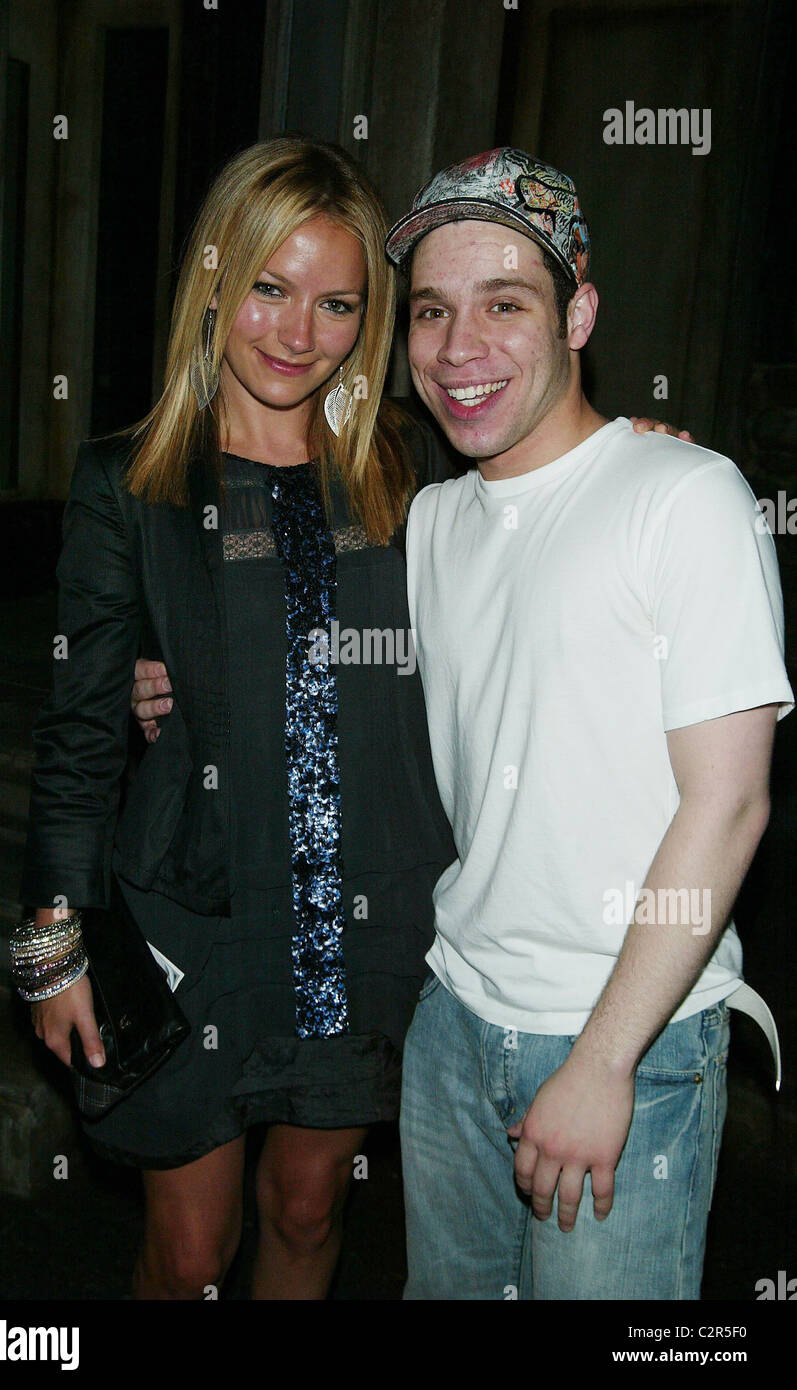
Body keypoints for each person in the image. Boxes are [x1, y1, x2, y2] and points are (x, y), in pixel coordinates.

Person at [17, 136, 459, 1300]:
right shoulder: (132, 480)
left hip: (361, 916)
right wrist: (52, 934)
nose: (294, 331)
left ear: (368, 320)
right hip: (195, 916)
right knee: (187, 1255)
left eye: (334, 303)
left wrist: (634, 464)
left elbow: (551, 523)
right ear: (216, 280)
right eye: (268, 286)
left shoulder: (413, 471)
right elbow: (75, 727)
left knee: (310, 1211)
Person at [381, 146, 793, 1300]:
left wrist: (604, 1058)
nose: (458, 350)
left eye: (503, 304)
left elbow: (731, 799)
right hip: (451, 1016)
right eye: (430, 311)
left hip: (629, 1033)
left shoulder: (682, 496)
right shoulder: (428, 521)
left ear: (579, 314)